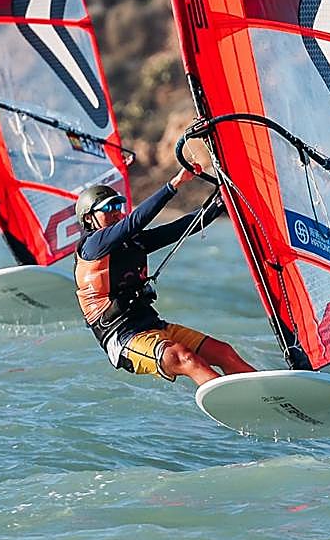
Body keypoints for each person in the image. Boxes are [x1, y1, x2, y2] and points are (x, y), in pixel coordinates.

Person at [74, 164, 256, 387]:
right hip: (123, 338)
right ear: (89, 218)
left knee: (224, 352)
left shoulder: (133, 242)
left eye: (117, 205)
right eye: (107, 207)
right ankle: (235, 404)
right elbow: (135, 221)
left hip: (152, 325)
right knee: (185, 358)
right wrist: (173, 185)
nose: (115, 211)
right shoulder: (93, 246)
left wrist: (221, 201)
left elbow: (181, 227)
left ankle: (272, 399)